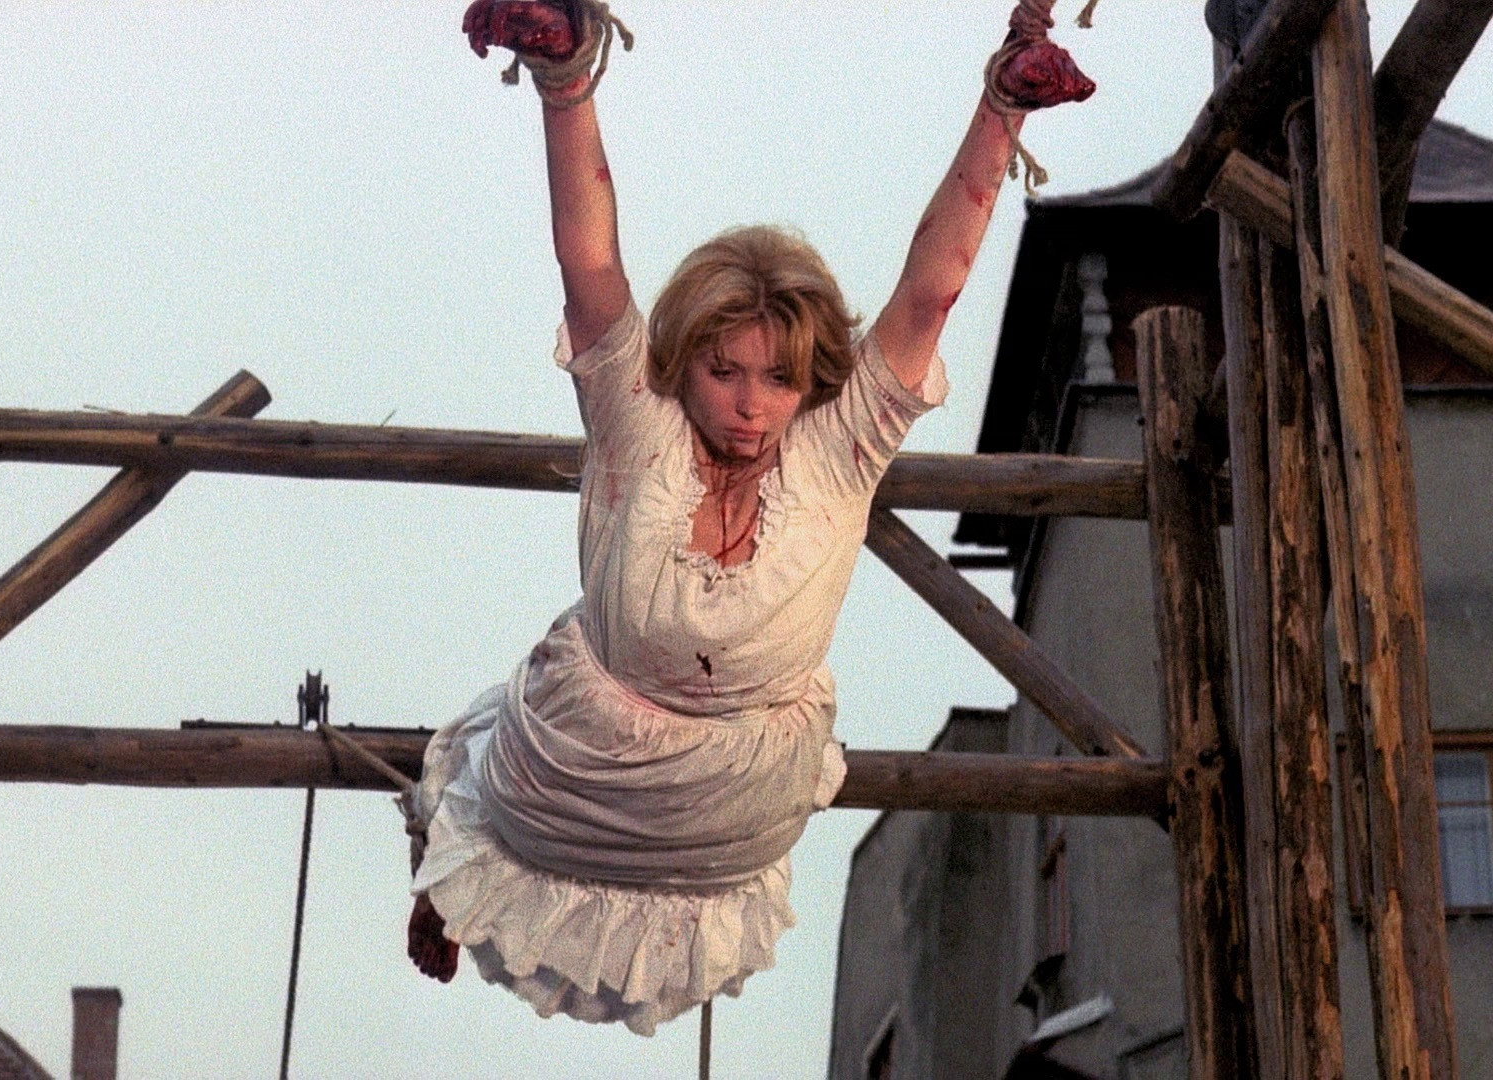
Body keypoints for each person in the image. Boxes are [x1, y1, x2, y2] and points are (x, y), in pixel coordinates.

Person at [404, 0, 1094, 1036]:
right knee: (487, 804)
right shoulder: (640, 424)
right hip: (581, 757)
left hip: (731, 795)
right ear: (684, 362)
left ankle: (465, 870)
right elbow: (589, 265)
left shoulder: (840, 446)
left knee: (582, 824)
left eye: (777, 380)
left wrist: (1003, 111)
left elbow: (930, 293)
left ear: (810, 382)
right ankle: (451, 879)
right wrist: (563, 77)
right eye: (724, 371)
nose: (748, 403)